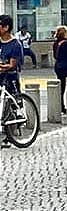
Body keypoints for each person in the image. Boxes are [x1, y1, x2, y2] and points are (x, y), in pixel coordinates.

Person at [0, 15, 23, 149]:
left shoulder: (15, 44)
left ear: (6, 27)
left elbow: (12, 64)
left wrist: (2, 67)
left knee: (10, 105)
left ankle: (9, 136)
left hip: (10, 78)